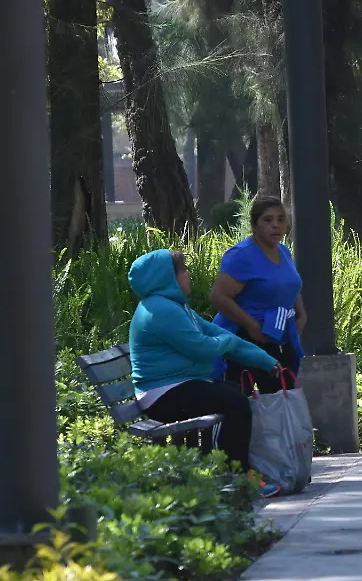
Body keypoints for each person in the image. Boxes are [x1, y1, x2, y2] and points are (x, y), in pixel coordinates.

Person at [128, 249, 284, 497]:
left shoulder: (176, 308)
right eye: (182, 271)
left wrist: (264, 360)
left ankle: (230, 471)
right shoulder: (160, 311)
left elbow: (220, 337)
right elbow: (202, 348)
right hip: (162, 395)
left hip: (177, 387)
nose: (188, 275)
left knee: (232, 394)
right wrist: (227, 342)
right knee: (234, 402)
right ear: (167, 277)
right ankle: (239, 478)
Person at [210, 196, 307, 395]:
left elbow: (290, 285)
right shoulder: (242, 255)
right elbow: (219, 297)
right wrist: (252, 326)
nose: (276, 225)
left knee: (283, 396)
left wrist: (301, 315)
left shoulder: (284, 251)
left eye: (281, 219)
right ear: (254, 224)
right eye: (268, 220)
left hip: (278, 333)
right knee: (241, 400)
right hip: (244, 338)